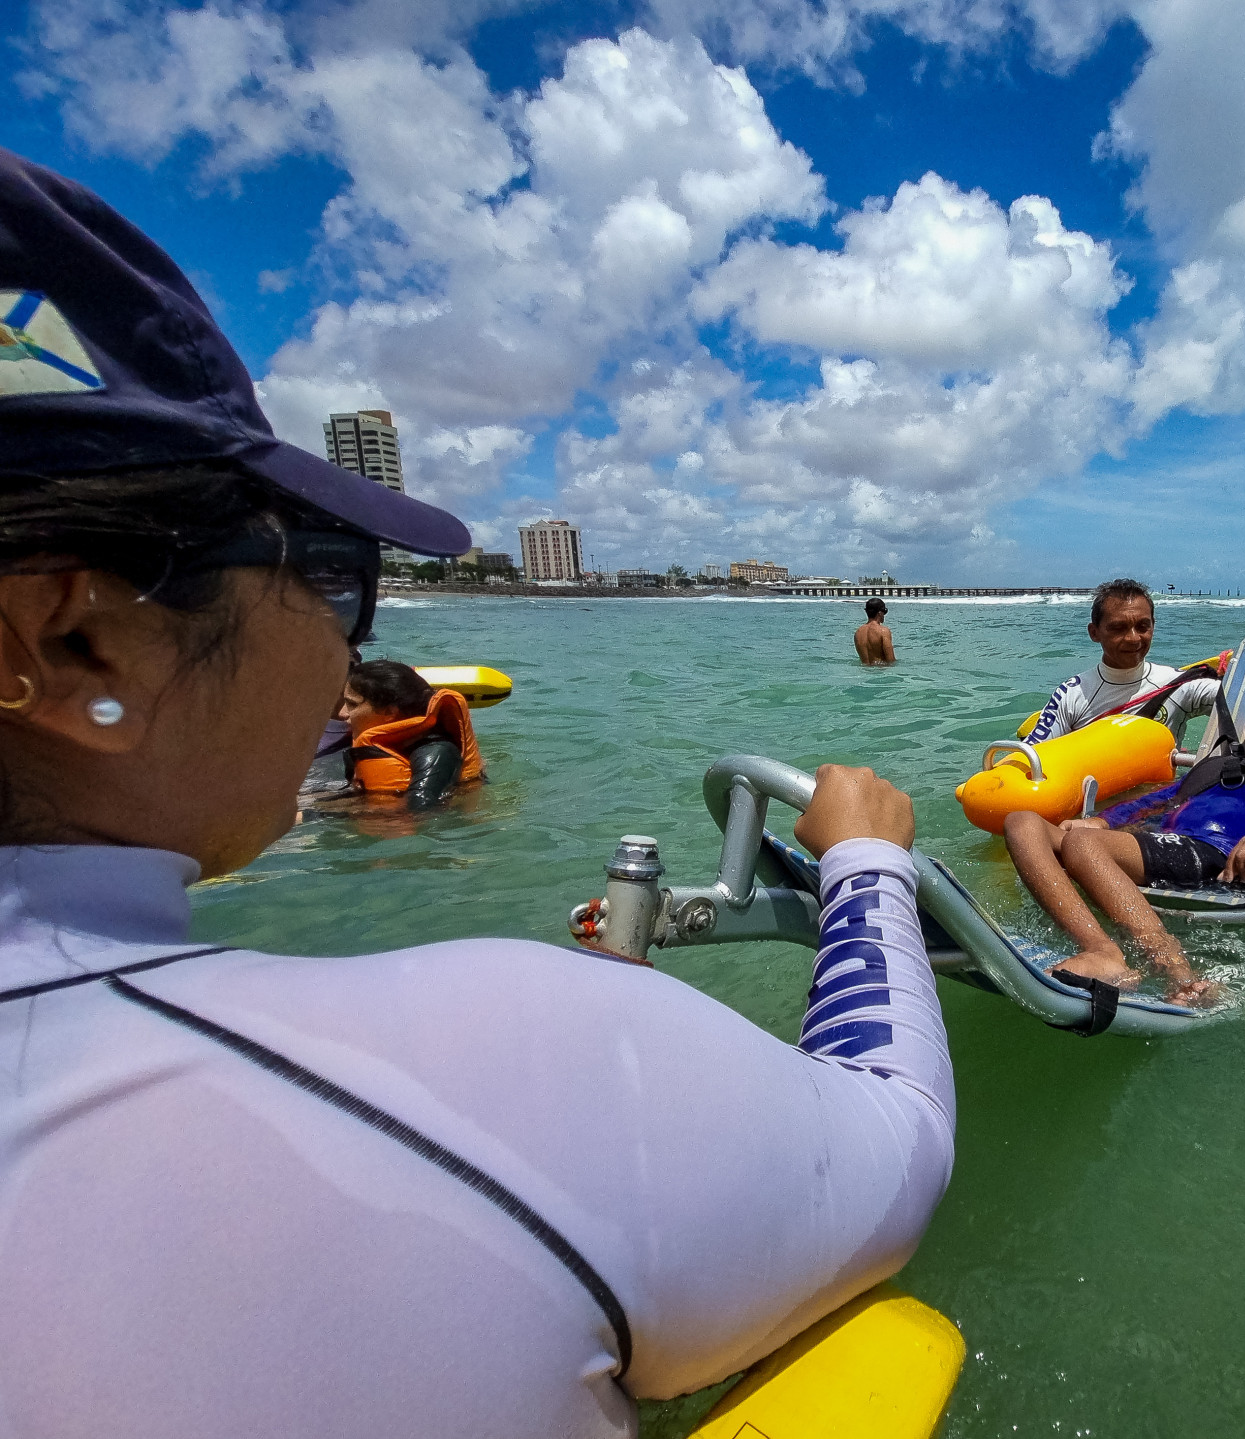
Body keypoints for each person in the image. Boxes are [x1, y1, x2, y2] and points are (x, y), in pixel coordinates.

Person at [0, 147, 953, 1436]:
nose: (341, 645)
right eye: (332, 567)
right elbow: (897, 1140)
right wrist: (866, 866)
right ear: (70, 644)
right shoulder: (498, 1071)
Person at [1005, 665, 1245, 1007]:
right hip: (1166, 847)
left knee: (1081, 844)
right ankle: (1096, 946)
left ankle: (1166, 966)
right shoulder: (1217, 766)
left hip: (1216, 857)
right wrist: (1104, 821)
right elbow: (1158, 802)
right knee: (1022, 822)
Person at [1027, 577, 1219, 745]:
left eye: (1143, 626)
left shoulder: (1180, 686)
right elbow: (1029, 756)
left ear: (1153, 627)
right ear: (1094, 633)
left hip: (1165, 787)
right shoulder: (1072, 694)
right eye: (1119, 628)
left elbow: (1242, 703)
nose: (1133, 638)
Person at [335, 658, 485, 809]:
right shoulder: (384, 743)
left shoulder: (438, 752)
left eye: (352, 704)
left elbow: (421, 811)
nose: (342, 713)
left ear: (389, 712)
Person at [854, 597, 895, 664]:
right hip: (881, 672)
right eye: (884, 612)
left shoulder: (858, 632)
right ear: (880, 613)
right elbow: (891, 660)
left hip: (864, 672)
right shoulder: (883, 631)